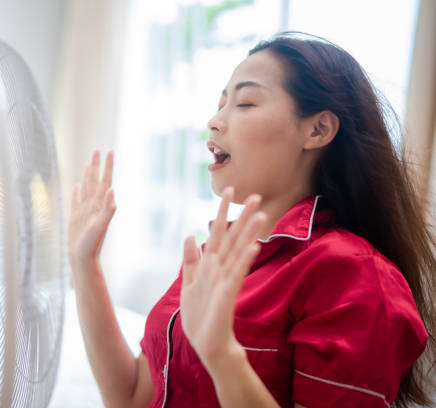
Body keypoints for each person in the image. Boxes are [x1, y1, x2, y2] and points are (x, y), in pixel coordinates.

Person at [67, 32, 436, 408]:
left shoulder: (355, 275)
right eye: (220, 104)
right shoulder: (214, 258)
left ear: (318, 130)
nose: (214, 121)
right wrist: (84, 264)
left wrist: (223, 357)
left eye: (244, 103)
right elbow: (130, 398)